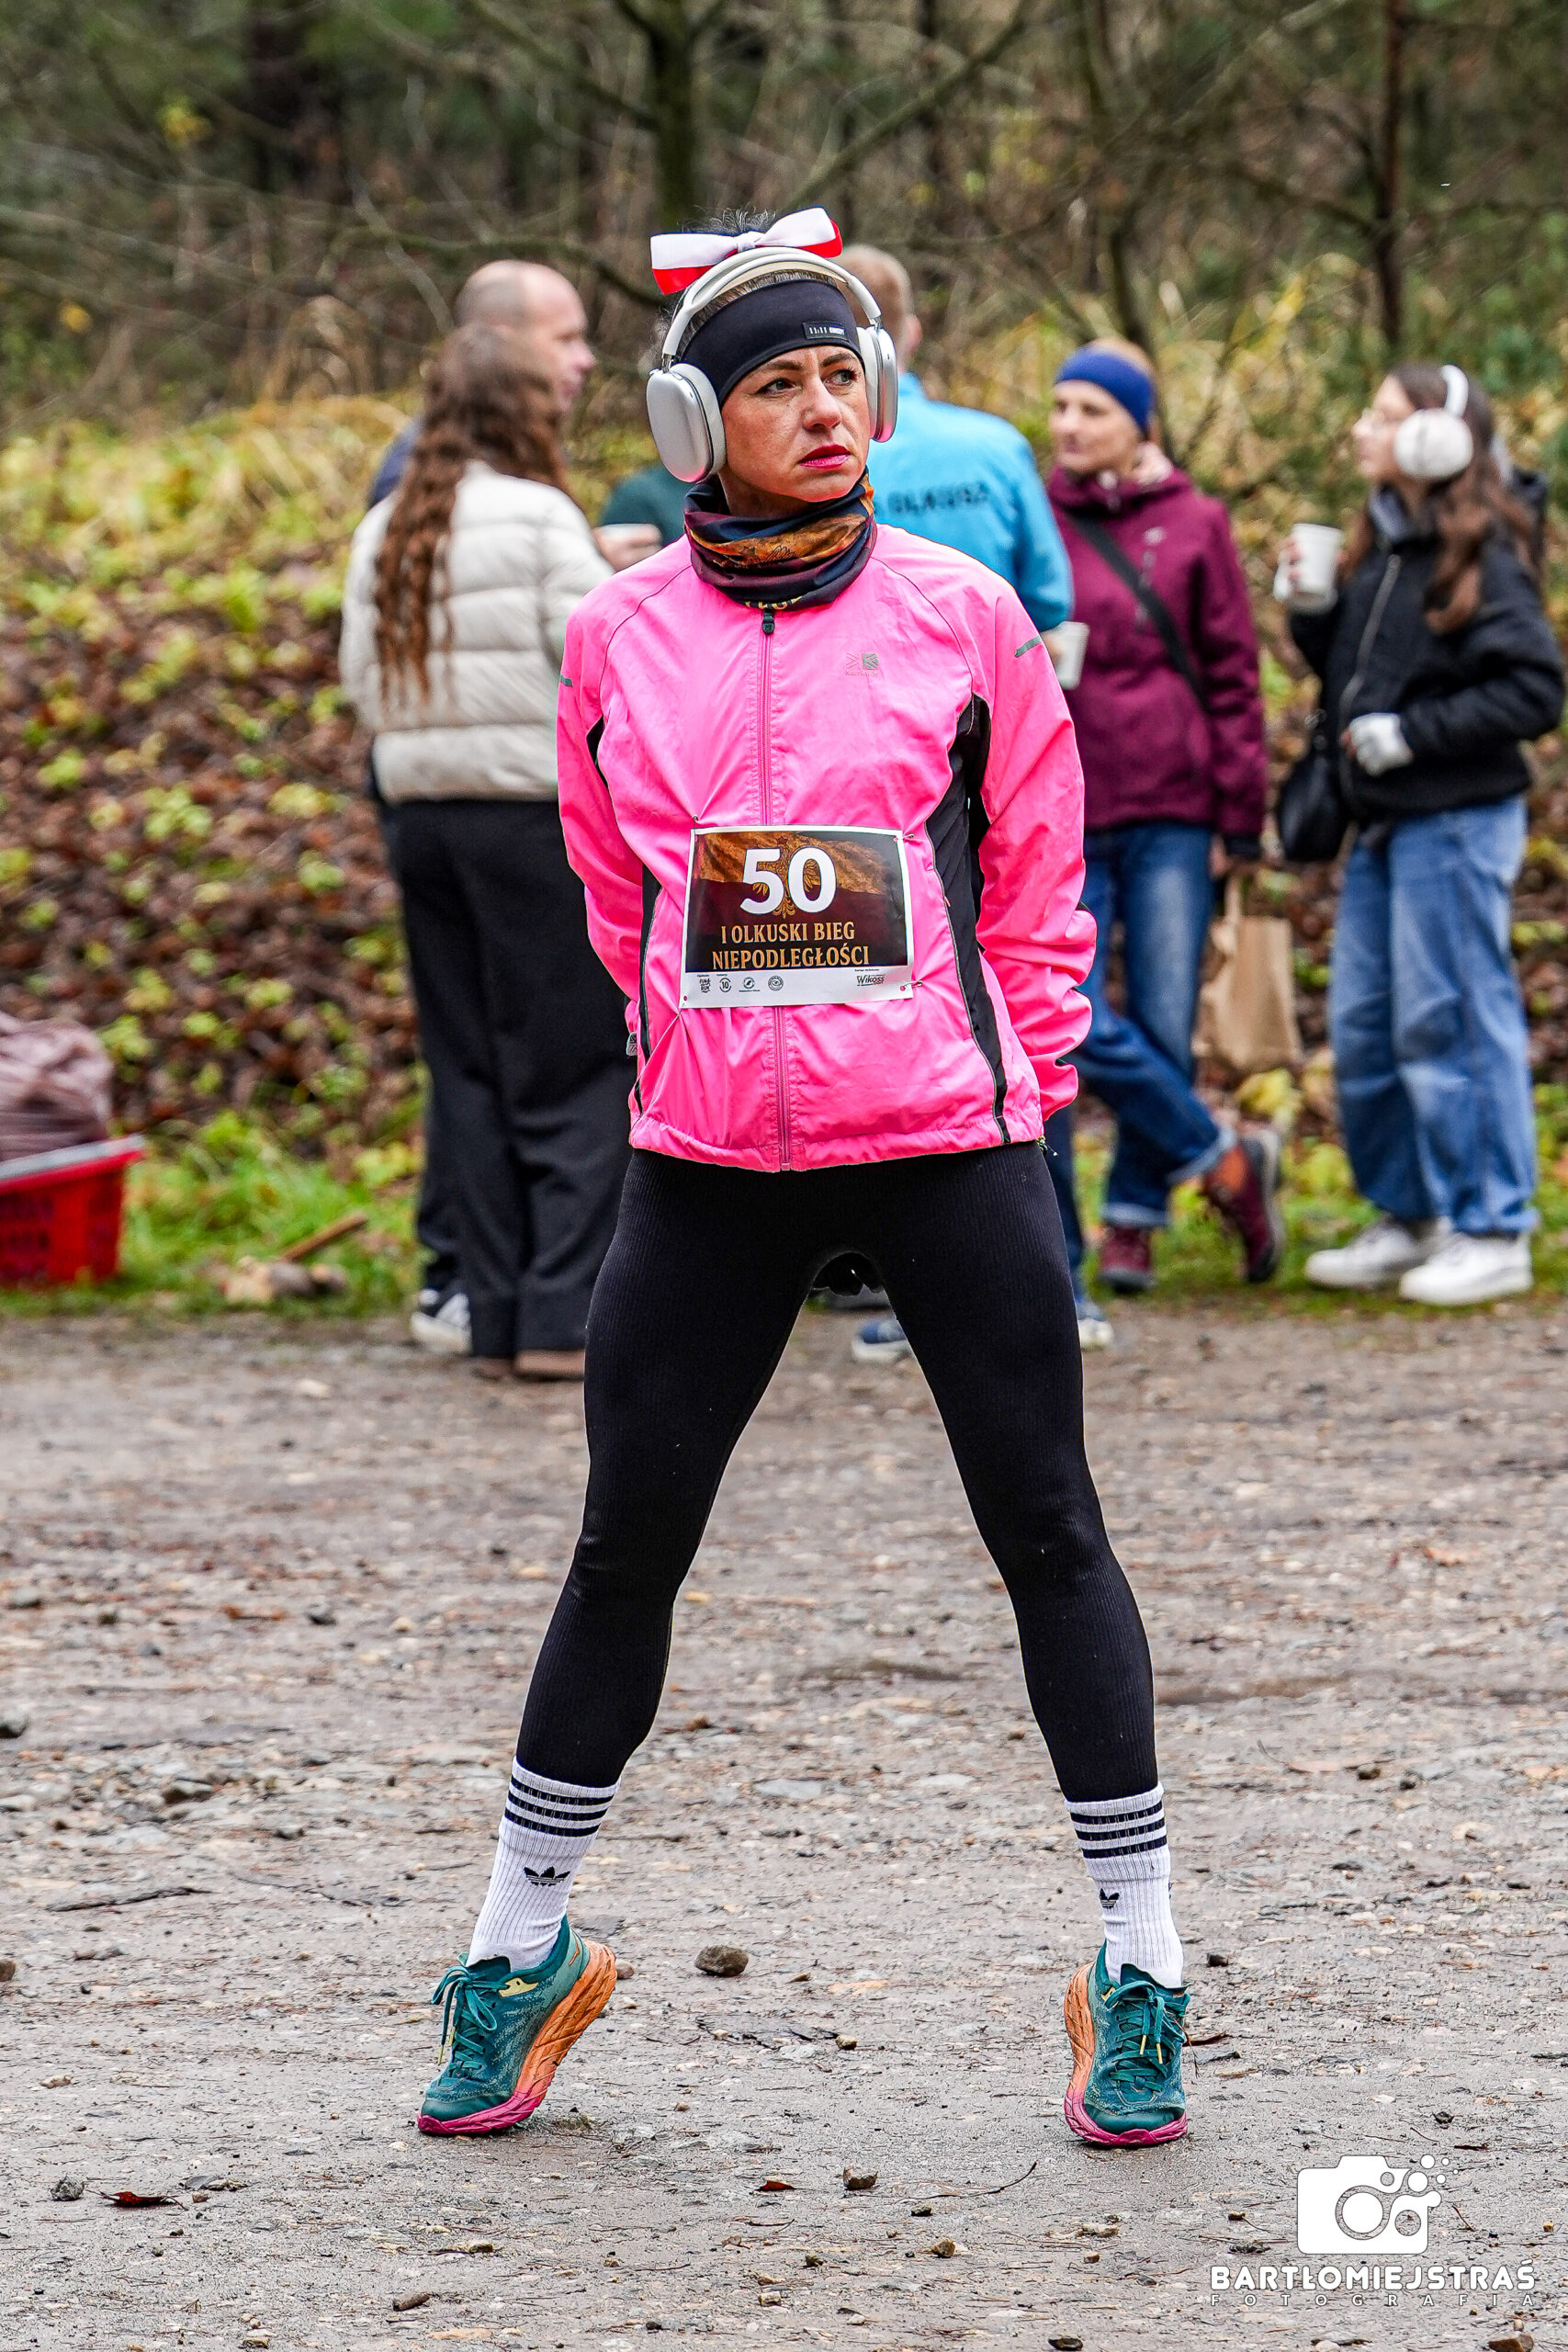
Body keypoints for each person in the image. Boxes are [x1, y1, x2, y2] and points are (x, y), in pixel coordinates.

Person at [413, 222, 1192, 2154]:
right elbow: (614, 890)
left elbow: (1039, 883)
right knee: (623, 1551)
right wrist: (691, 1045)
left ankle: (1142, 1963)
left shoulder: (962, 615)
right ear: (695, 420)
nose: (825, 409)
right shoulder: (618, 633)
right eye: (777, 383)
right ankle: (517, 1950)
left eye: (844, 375)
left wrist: (1010, 1083)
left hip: (945, 1144)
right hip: (707, 1163)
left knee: (1050, 1532)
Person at [367, 262, 652, 1358]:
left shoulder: (389, 523)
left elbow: (360, 679)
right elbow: (601, 670)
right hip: (532, 822)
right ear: (521, 411)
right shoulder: (539, 517)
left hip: (422, 819)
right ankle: (561, 1313)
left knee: (471, 1070)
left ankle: (488, 1313)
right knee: (574, 1068)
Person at [835, 244, 1112, 1355]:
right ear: (905, 332)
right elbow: (1050, 598)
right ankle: (1057, 1275)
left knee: (872, 1015)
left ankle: (889, 1281)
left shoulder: (785, 449)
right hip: (985, 766)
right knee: (1014, 998)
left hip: (848, 782)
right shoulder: (995, 447)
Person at [1285, 363, 1562, 1305]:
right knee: (1366, 1025)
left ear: (1436, 437)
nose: (1362, 429)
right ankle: (1409, 1217)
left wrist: (1414, 734)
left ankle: (1491, 1225)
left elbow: (1534, 689)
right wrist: (1314, 615)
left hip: (1456, 819)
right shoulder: (1387, 542)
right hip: (1386, 823)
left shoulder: (1481, 550)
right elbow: (1360, 673)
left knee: (1452, 1016)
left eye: (1383, 416)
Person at [1046, 340, 1281, 1295]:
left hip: (1175, 809)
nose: (1068, 426)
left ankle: (1134, 1219)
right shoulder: (1038, 513)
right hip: (1065, 803)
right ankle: (1219, 1154)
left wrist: (1240, 818)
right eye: (1060, 406)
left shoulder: (1196, 521)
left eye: (1091, 409)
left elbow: (1233, 676)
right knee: (1067, 1015)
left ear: (1138, 423)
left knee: (1166, 1016)